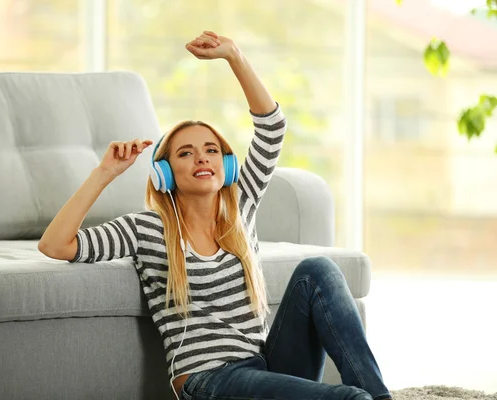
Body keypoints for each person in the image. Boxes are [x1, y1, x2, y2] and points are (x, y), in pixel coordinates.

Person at [38, 30, 392, 400]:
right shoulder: (147, 229)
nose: (201, 157)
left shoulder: (242, 208)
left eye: (210, 149)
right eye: (185, 153)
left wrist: (234, 56)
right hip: (209, 381)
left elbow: (272, 128)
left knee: (317, 271)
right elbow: (56, 244)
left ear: (226, 165)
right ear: (165, 173)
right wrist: (105, 173)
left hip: (265, 366)